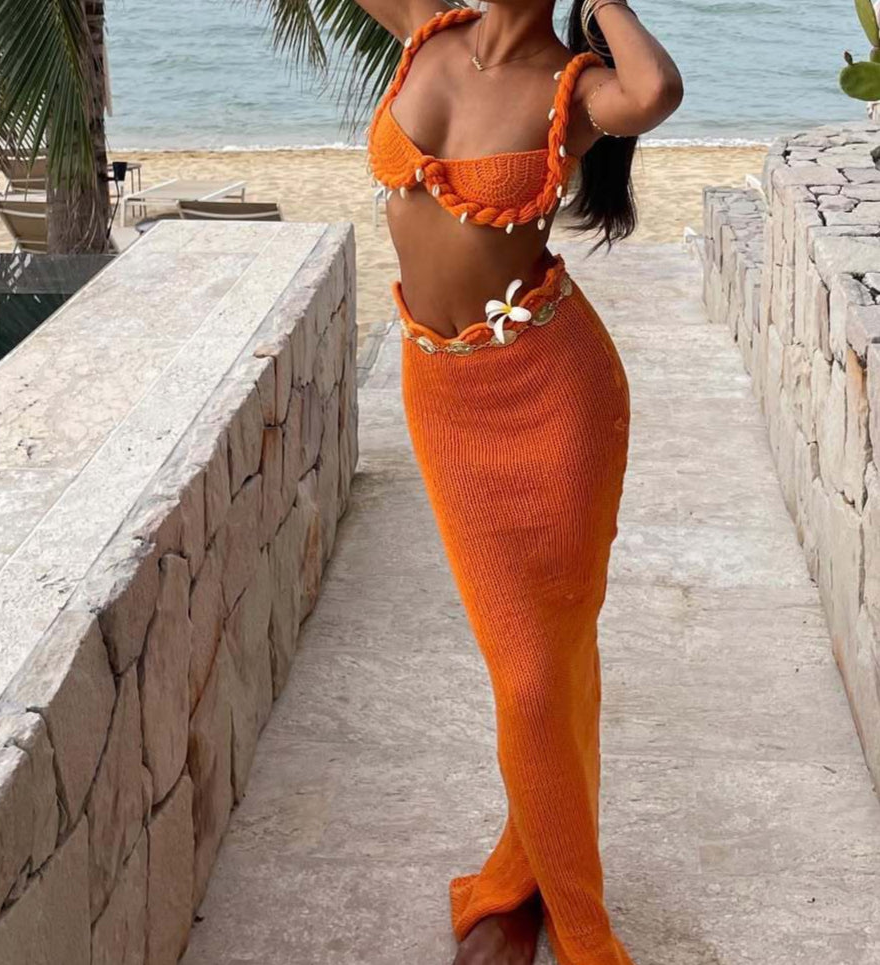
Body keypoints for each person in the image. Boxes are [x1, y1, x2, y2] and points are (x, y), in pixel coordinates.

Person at [363, 1, 682, 962]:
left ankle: (581, 931)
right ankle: (524, 863)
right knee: (532, 667)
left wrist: (606, 6)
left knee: (537, 676)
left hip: (552, 397)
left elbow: (655, 90)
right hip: (440, 397)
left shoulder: (574, 88)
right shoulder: (426, 25)